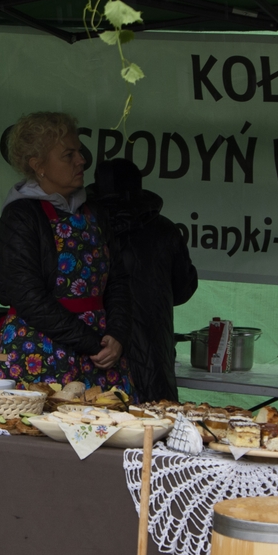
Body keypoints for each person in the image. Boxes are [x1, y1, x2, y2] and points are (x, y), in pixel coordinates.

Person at [0, 112, 132, 394]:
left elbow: (117, 281)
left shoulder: (95, 212)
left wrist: (116, 334)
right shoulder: (20, 217)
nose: (81, 160)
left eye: (79, 152)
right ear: (38, 165)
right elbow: (27, 296)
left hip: (102, 353)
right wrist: (92, 343)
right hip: (40, 350)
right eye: (69, 155)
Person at [89, 158, 199, 403]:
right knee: (154, 416)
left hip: (98, 343)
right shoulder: (165, 230)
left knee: (90, 416)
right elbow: (183, 289)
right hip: (152, 345)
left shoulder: (84, 226)